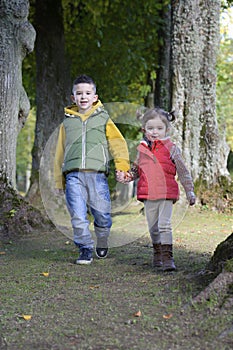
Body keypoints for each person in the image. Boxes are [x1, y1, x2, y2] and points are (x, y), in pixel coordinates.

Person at [54, 74, 130, 265]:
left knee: (102, 215)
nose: (83, 97)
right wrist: (58, 180)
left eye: (88, 93)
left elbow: (117, 143)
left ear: (95, 97)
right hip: (73, 176)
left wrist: (121, 166)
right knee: (78, 215)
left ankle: (102, 238)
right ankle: (85, 249)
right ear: (73, 98)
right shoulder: (67, 123)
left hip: (97, 176)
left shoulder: (103, 119)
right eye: (79, 93)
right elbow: (59, 152)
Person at [125, 107, 196, 271]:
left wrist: (190, 191)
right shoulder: (142, 149)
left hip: (166, 194)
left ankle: (167, 258)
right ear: (144, 129)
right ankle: (157, 253)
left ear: (167, 129)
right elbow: (136, 171)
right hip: (148, 194)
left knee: (164, 224)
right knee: (153, 227)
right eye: (150, 128)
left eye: (159, 128)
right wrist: (127, 176)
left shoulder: (172, 148)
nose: (154, 132)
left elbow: (183, 171)